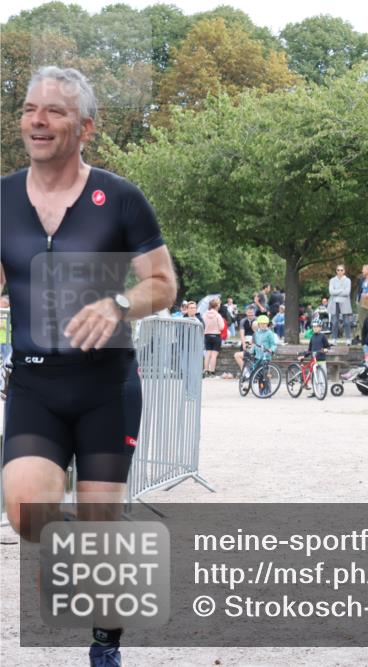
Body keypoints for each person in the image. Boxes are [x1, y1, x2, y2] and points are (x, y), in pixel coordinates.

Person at [1, 66, 178, 666]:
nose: (37, 120)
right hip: (35, 384)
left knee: (104, 525)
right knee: (25, 509)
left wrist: (120, 303)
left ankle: (105, 646)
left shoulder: (120, 197)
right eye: (30, 109)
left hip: (107, 386)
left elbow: (163, 283)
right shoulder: (1, 199)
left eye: (54, 111)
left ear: (85, 127)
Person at [202, 298, 226, 378]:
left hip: (207, 335)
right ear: (217, 306)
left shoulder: (204, 314)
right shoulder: (218, 315)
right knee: (214, 355)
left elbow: (202, 325)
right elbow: (222, 327)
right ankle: (212, 371)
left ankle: (205, 370)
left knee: (208, 353)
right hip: (216, 335)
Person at [328, 264, 353, 340]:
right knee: (335, 322)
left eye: (341, 270)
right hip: (334, 302)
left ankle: (348, 338)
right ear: (336, 271)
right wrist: (341, 290)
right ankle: (334, 338)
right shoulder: (332, 280)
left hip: (345, 303)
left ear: (344, 271)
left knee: (346, 322)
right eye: (338, 270)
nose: (340, 272)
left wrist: (336, 291)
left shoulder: (348, 280)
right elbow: (331, 292)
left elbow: (347, 292)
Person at [233, 304, 256, 370]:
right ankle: (244, 371)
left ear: (254, 313)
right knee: (244, 355)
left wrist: (252, 343)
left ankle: (250, 371)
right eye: (249, 313)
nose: (250, 314)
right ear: (246, 313)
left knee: (251, 356)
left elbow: (258, 333)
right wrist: (243, 344)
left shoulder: (257, 320)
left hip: (254, 340)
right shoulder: (243, 321)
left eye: (252, 313)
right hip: (246, 340)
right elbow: (242, 334)